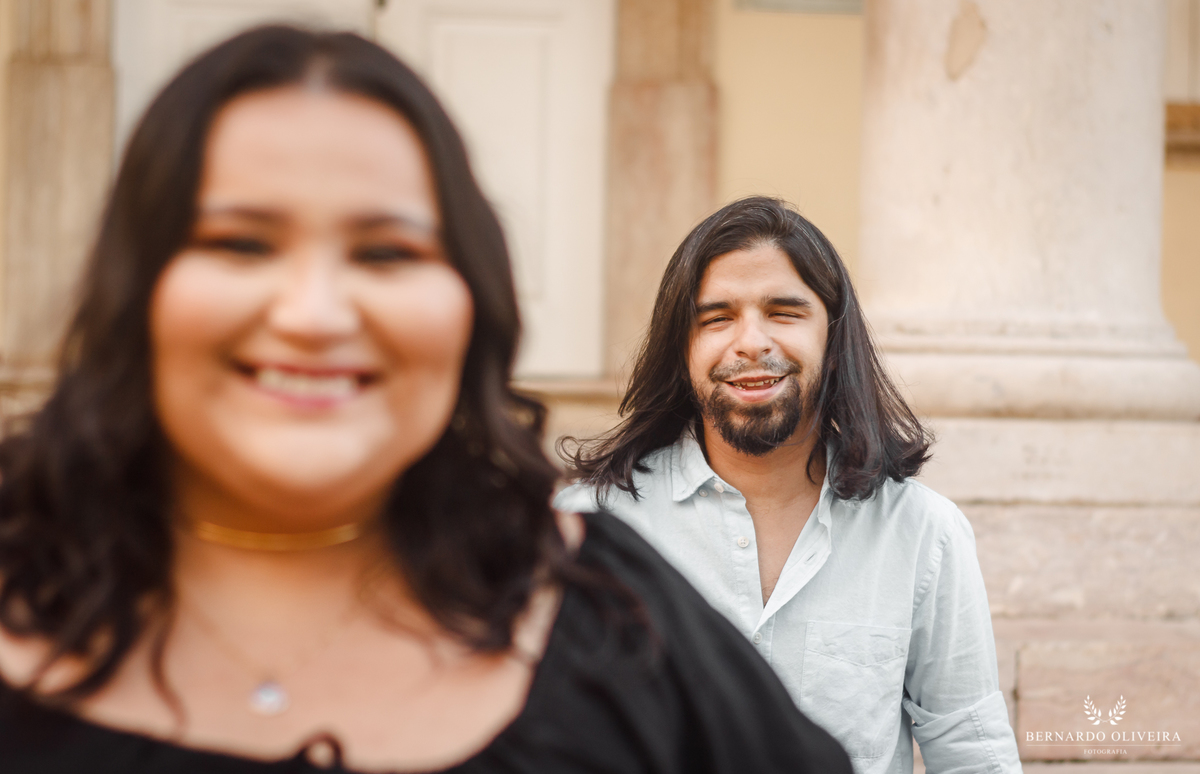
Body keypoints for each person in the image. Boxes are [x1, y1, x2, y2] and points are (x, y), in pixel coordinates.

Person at [0, 28, 852, 774]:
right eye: (240, 243)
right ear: (133, 288)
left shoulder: (611, 613)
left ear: (471, 306)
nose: (314, 315)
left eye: (385, 253)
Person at [557, 197, 1023, 774]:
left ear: (832, 341)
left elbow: (972, 752)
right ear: (682, 351)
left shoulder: (923, 533)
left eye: (783, 312)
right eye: (717, 317)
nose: (751, 342)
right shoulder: (588, 527)